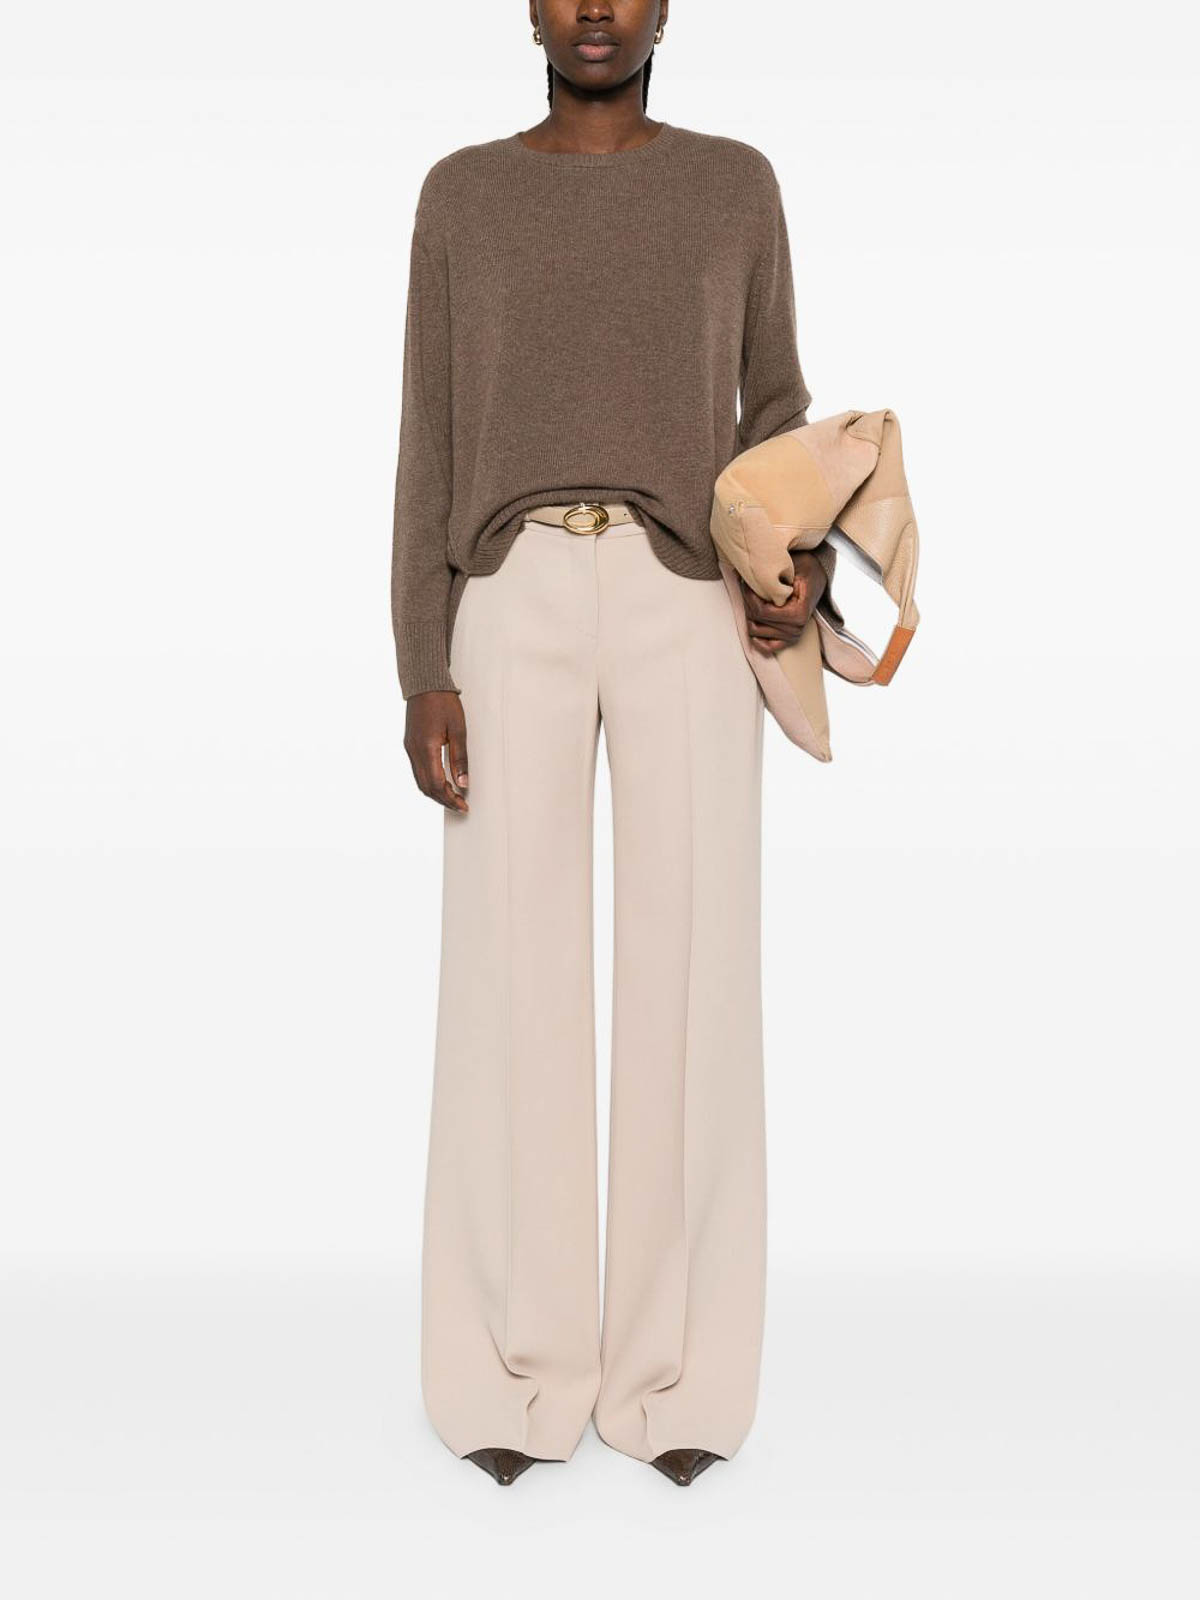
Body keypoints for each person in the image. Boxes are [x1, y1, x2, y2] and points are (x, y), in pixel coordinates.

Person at [391, 0, 829, 1488]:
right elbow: (430, 443)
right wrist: (422, 664)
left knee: (692, 969)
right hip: (506, 595)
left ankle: (678, 1378)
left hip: (685, 595)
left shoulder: (733, 184)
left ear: (665, 9)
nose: (597, 8)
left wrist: (799, 563)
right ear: (529, 6)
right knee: (505, 976)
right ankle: (511, 1374)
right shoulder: (463, 195)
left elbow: (778, 411)